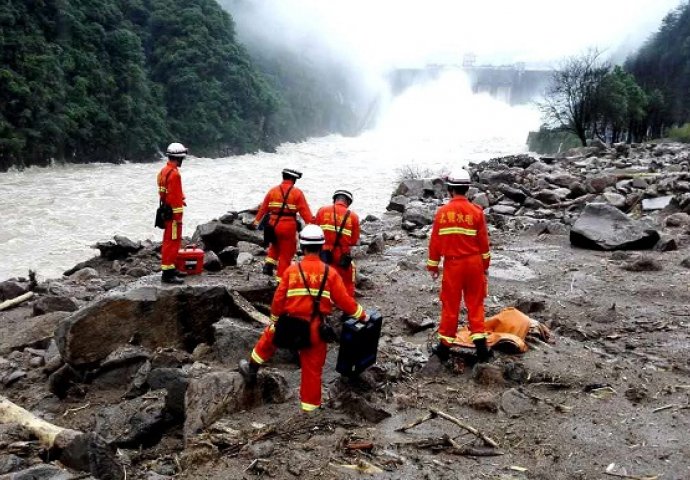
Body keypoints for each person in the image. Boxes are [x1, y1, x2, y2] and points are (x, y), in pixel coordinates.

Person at [239, 225, 367, 412]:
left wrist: (275, 319)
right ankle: (310, 409)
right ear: (322, 246)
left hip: (289, 324)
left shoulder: (291, 271)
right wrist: (361, 315)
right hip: (314, 329)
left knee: (269, 336)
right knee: (312, 371)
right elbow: (344, 301)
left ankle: (252, 368)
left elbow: (278, 299)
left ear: (302, 246)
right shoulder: (330, 273)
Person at [427, 168, 492, 362]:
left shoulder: (442, 213)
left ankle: (444, 347)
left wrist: (433, 266)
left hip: (453, 265)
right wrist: (485, 266)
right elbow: (484, 244)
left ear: (450, 189)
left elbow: (435, 242)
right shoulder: (476, 212)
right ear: (467, 189)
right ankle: (481, 348)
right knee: (475, 303)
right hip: (474, 264)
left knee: (450, 304)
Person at [252, 169, 314, 281]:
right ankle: (281, 279)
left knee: (275, 245)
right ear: (293, 179)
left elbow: (263, 208)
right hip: (287, 226)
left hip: (272, 224)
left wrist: (255, 222)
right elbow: (305, 212)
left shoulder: (273, 191)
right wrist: (312, 225)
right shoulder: (297, 193)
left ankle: (268, 265)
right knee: (287, 252)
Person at [314, 189, 360, 296]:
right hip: (342, 255)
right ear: (348, 202)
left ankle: (323, 302)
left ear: (335, 199)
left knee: (322, 279)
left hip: (323, 253)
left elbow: (314, 231)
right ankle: (346, 308)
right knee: (348, 281)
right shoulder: (353, 216)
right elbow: (354, 240)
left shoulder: (322, 211)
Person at [157, 142, 188, 284]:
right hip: (174, 215)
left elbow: (163, 193)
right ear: (179, 158)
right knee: (173, 242)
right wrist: (178, 217)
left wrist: (181, 198)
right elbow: (174, 199)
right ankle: (168, 273)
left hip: (166, 211)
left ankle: (171, 268)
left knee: (168, 240)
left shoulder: (164, 171)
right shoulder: (175, 174)